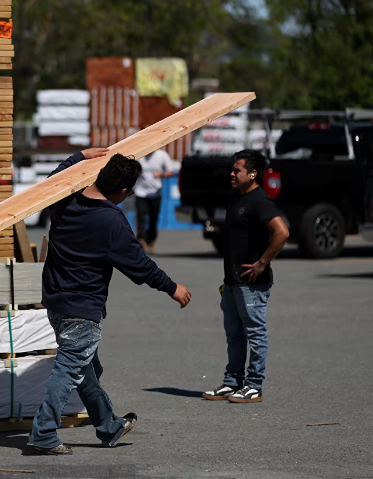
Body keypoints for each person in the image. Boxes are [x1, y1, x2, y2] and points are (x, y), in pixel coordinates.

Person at [29, 148, 192, 455]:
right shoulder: (111, 221)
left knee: (84, 367)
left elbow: (52, 180)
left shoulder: (65, 198)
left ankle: (109, 426)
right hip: (82, 308)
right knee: (69, 368)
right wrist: (173, 288)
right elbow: (140, 265)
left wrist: (79, 156)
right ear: (124, 191)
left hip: (55, 299)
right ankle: (43, 432)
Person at [203, 150, 289, 403]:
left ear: (252, 174)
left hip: (252, 283)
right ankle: (232, 382)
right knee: (234, 335)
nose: (231, 173)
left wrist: (262, 262)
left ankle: (254, 385)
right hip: (232, 281)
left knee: (255, 333)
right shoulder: (237, 197)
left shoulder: (260, 201)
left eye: (237, 170)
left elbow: (281, 232)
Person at [134, 149, 182, 253]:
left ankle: (151, 240)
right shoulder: (139, 155)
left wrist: (161, 175)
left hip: (155, 192)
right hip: (140, 192)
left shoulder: (162, 155)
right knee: (141, 216)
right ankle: (141, 239)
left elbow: (171, 171)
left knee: (153, 219)